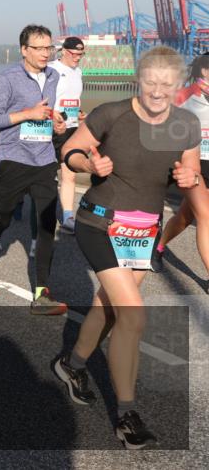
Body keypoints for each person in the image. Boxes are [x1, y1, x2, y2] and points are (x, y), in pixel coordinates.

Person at [52, 46, 200, 449]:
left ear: (178, 85)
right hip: (100, 223)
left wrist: (189, 177)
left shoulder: (185, 124)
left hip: (143, 231)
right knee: (133, 316)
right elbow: (70, 151)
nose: (158, 91)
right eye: (151, 82)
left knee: (108, 306)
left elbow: (191, 172)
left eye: (166, 84)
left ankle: (71, 364)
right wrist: (88, 165)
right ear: (139, 79)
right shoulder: (112, 114)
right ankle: (126, 415)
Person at [0, 24, 68, 314]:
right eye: (39, 48)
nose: (46, 53)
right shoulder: (6, 79)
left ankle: (42, 292)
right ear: (24, 50)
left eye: (49, 47)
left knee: (47, 225)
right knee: (3, 219)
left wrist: (56, 122)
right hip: (13, 160)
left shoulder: (54, 76)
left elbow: (47, 113)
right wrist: (28, 113)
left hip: (44, 160)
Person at [153, 52, 209, 285]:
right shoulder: (184, 96)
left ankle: (158, 247)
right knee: (205, 216)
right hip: (192, 165)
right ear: (202, 71)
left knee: (186, 216)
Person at [50, 36, 87, 233]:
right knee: (43, 175)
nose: (77, 58)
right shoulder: (52, 69)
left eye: (81, 54)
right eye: (74, 53)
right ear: (64, 51)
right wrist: (52, 115)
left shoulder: (78, 72)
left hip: (71, 128)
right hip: (50, 128)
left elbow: (73, 99)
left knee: (69, 174)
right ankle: (20, 200)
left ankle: (67, 218)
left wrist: (79, 113)